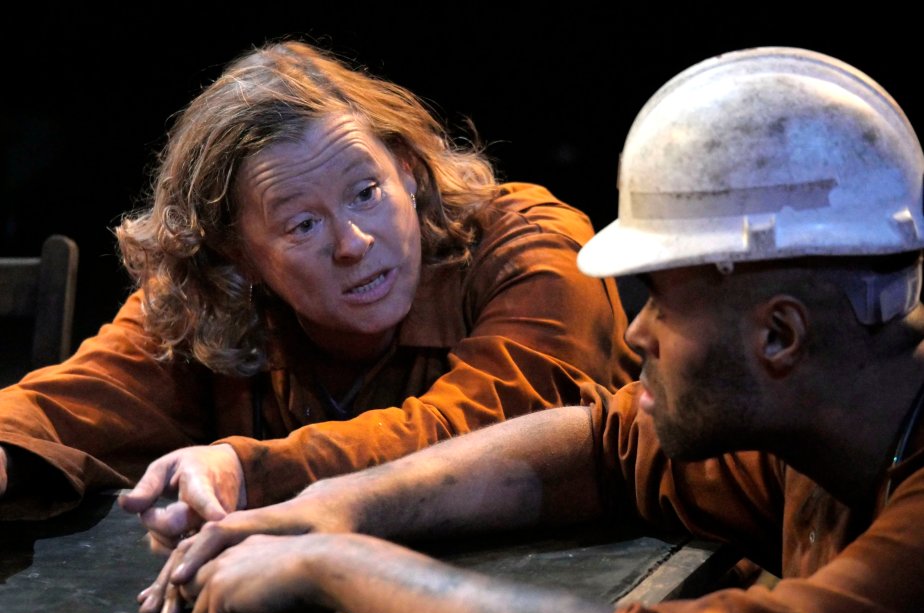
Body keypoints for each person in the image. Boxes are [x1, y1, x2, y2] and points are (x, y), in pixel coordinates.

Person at [160, 46, 924, 613]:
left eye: (662, 304)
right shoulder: (820, 422)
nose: (640, 330)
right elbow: (600, 446)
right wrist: (341, 503)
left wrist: (339, 564)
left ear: (780, 336)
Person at [0, 40, 639, 534]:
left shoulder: (529, 243)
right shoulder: (219, 296)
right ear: (237, 254)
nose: (352, 243)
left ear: (408, 170)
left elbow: (497, 438)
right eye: (303, 225)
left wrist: (250, 470)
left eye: (366, 192)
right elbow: (76, 401)